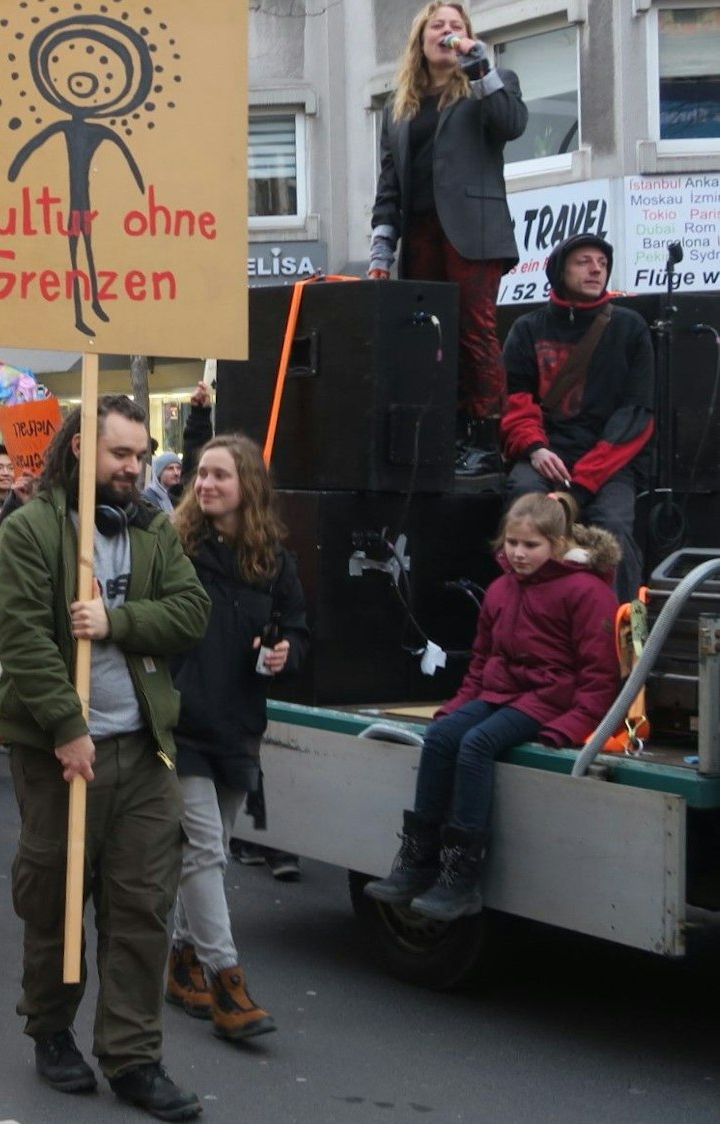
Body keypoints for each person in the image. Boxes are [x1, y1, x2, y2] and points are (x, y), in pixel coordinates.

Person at [0, 394, 210, 1119]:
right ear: (82, 448)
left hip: (143, 749)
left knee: (143, 903)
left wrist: (115, 620)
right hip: (58, 751)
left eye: (141, 455)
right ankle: (50, 1030)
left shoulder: (152, 528)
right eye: (121, 454)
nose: (135, 467)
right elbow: (21, 635)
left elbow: (190, 613)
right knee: (55, 896)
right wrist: (63, 724)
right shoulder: (29, 530)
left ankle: (132, 1056)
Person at [365, 492, 619, 921]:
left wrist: (570, 727)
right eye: (512, 544)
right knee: (442, 735)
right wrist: (458, 706)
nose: (518, 554)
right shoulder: (502, 589)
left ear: (558, 545)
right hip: (502, 692)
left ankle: (461, 877)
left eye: (531, 545)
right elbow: (483, 661)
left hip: (547, 700)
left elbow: (600, 675)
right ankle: (416, 858)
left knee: (478, 744)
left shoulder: (587, 592)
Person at [160, 436, 309, 1043]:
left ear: (247, 484)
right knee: (203, 849)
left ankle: (180, 958)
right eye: (201, 474)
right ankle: (227, 980)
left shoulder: (272, 557)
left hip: (238, 724)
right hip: (181, 720)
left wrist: (284, 652)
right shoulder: (172, 545)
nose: (206, 484)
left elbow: (299, 630)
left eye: (220, 475)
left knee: (213, 846)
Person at [369, 2, 529, 469]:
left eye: (456, 25)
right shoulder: (397, 107)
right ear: (421, 41)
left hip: (473, 232)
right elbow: (389, 184)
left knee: (474, 331)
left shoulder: (490, 84)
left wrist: (479, 66)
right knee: (429, 335)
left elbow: (512, 124)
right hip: (419, 232)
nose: (447, 30)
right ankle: (447, 430)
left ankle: (485, 439)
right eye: (437, 25)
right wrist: (382, 248)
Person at [499, 233, 653, 601]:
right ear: (559, 271)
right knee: (523, 507)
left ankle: (619, 633)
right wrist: (535, 448)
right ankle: (524, 616)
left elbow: (635, 416)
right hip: (546, 453)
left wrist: (582, 485)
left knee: (614, 526)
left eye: (602, 263)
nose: (596, 269)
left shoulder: (630, 328)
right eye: (584, 261)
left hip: (608, 460)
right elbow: (515, 403)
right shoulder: (527, 328)